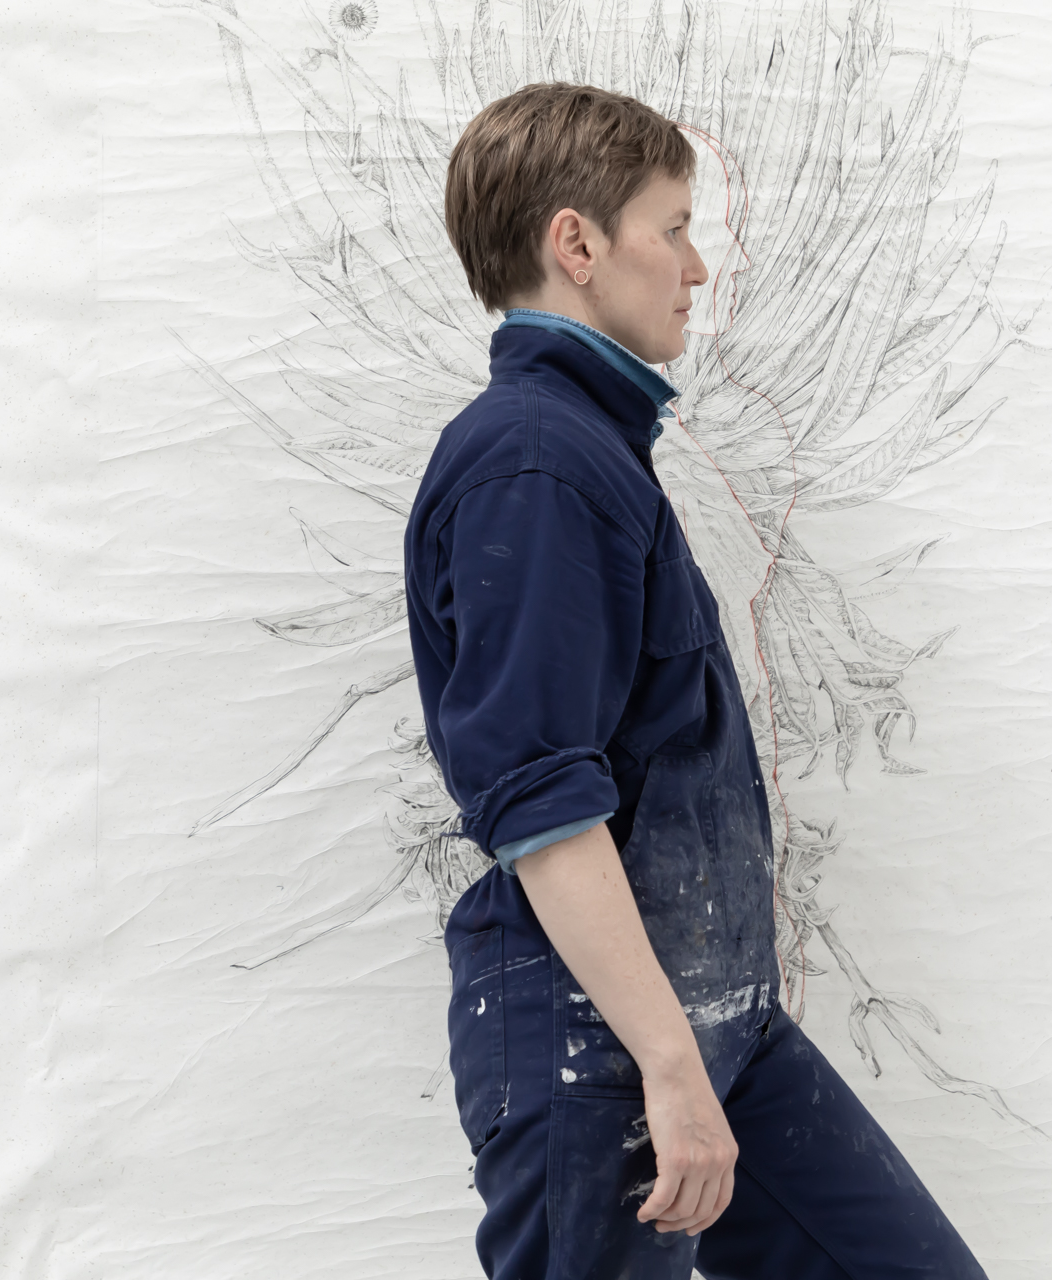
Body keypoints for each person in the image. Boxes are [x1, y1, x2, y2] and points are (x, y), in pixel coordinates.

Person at [404, 81, 988, 1280]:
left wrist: (697, 1048)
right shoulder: (533, 463)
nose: (696, 265)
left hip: (711, 1017)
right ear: (577, 245)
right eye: (671, 227)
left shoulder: (587, 449)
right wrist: (667, 1067)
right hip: (597, 1040)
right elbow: (541, 801)